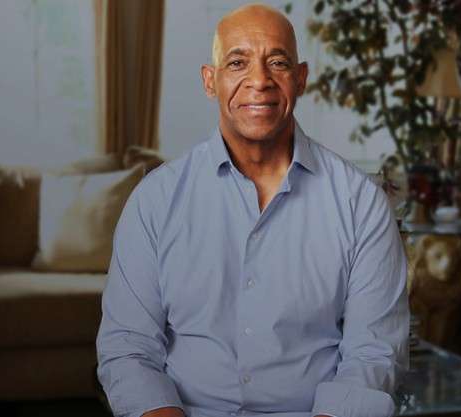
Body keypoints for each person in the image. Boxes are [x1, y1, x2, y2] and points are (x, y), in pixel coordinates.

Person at [95, 4, 409, 417]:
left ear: (301, 79)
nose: (258, 81)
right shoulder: (154, 200)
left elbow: (374, 355)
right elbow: (129, 348)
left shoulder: (361, 203)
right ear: (211, 81)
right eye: (237, 62)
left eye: (276, 62)